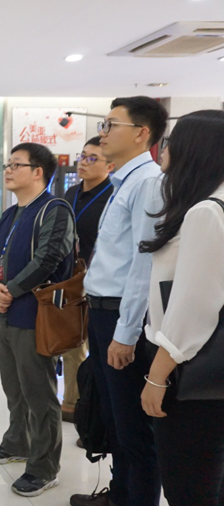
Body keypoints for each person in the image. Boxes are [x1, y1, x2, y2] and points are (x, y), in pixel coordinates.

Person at [71, 96, 167, 506]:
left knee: (132, 426)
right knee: (114, 417)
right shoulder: (124, 181)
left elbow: (144, 263)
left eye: (112, 125)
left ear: (142, 133)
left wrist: (126, 333)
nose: (103, 133)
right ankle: (120, 495)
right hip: (104, 312)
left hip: (120, 316)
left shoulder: (147, 182)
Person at [0, 143, 75, 497]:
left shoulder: (54, 209)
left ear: (38, 172)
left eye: (15, 164)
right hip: (7, 313)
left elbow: (48, 258)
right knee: (14, 387)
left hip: (36, 315)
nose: (7, 170)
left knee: (39, 394)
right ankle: (17, 442)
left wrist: (10, 290)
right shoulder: (11, 213)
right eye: (7, 164)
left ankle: (44, 467)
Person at [140, 110, 224, 506]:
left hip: (191, 370)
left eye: (171, 141)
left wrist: (157, 377)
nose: (164, 148)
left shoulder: (207, 212)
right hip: (207, 369)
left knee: (189, 485)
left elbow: (193, 307)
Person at [60, 137, 115, 424]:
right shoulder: (70, 193)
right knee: (71, 341)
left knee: (95, 345)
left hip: (102, 281)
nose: (83, 162)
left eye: (92, 158)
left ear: (110, 165)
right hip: (70, 278)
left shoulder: (113, 196)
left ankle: (90, 407)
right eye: (82, 156)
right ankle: (72, 402)